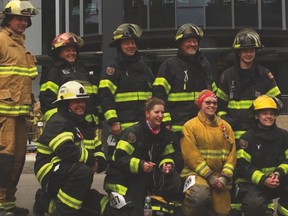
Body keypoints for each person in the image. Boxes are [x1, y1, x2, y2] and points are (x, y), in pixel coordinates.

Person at [216, 28, 282, 215]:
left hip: (258, 136)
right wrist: (226, 125)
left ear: (256, 52)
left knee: (256, 172)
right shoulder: (227, 76)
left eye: (252, 50)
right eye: (244, 50)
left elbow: (278, 102)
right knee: (235, 177)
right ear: (238, 52)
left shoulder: (264, 74)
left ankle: (264, 205)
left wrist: (262, 105)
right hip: (233, 138)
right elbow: (219, 106)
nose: (248, 53)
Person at [33, 81, 107, 216]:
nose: (81, 105)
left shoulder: (83, 124)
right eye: (75, 101)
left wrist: (99, 162)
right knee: (83, 172)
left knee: (97, 207)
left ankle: (45, 202)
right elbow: (65, 149)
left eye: (83, 101)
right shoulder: (59, 121)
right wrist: (91, 160)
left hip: (69, 170)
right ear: (65, 104)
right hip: (49, 171)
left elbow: (99, 149)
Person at [104, 97, 183, 216]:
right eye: (156, 112)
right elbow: (119, 158)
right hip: (128, 177)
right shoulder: (133, 133)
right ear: (147, 113)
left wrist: (167, 164)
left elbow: (171, 155)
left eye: (162, 112)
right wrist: (141, 165)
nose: (160, 115)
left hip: (150, 176)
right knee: (134, 210)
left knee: (174, 181)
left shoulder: (165, 135)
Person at [0, 0, 38, 215]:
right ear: (8, 19)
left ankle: (8, 205)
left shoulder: (21, 46)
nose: (23, 23)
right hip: (3, 114)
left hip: (20, 113)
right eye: (19, 18)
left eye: (26, 20)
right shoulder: (1, 41)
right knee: (4, 158)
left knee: (17, 159)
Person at [99, 23, 154, 156]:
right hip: (123, 126)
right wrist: (113, 122)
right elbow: (105, 97)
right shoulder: (112, 69)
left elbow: (153, 93)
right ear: (119, 46)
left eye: (133, 42)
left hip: (143, 125)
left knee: (143, 161)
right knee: (122, 161)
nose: (131, 46)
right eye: (126, 43)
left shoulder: (144, 66)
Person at [152, 23, 216, 139]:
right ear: (180, 44)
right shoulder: (169, 65)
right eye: (188, 41)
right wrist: (166, 121)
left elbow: (213, 93)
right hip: (177, 128)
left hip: (201, 127)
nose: (192, 44)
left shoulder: (204, 65)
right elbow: (159, 96)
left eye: (195, 41)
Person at [180, 90, 236, 216]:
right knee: (199, 196)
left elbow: (232, 156)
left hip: (220, 177)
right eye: (208, 102)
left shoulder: (225, 127)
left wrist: (224, 177)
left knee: (223, 211)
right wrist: (209, 176)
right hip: (195, 173)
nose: (212, 105)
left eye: (215, 103)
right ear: (200, 104)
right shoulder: (190, 126)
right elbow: (191, 156)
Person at [236, 95, 288, 216]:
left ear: (275, 116)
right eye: (264, 113)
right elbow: (244, 166)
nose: (268, 117)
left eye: (271, 113)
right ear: (257, 116)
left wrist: (278, 173)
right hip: (253, 183)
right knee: (254, 204)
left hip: (278, 180)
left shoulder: (284, 136)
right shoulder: (247, 138)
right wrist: (264, 180)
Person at [39, 32, 102, 131]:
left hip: (89, 125)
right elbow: (47, 100)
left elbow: (94, 96)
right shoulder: (53, 71)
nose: (72, 53)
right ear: (59, 53)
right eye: (67, 50)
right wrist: (57, 122)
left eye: (73, 50)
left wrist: (98, 117)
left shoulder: (83, 69)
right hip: (67, 125)